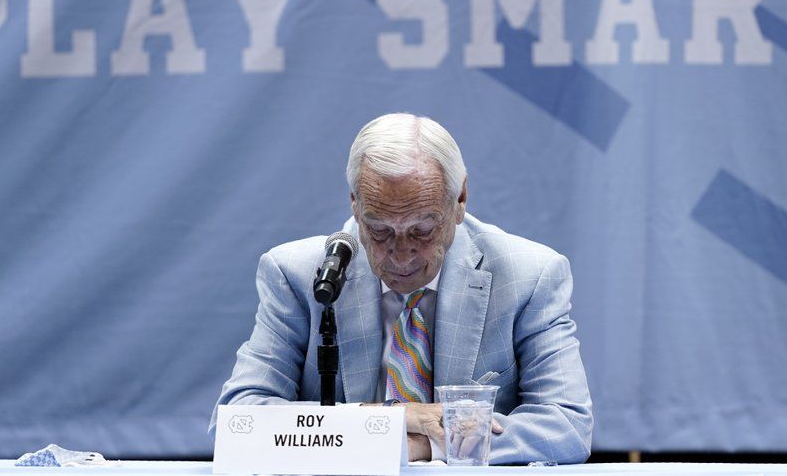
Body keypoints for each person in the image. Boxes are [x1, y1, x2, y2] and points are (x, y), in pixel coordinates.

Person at [211, 113, 592, 464]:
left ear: (459, 200)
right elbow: (237, 421)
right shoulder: (299, 275)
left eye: (423, 230)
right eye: (379, 231)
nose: (401, 252)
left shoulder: (529, 275)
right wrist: (386, 422)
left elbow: (566, 424)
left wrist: (428, 445)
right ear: (355, 206)